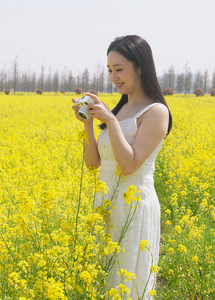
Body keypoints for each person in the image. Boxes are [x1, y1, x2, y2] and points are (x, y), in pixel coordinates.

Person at [72, 35, 172, 299]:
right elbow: (94, 164)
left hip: (133, 206)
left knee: (125, 283)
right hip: (105, 203)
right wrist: (88, 124)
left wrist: (111, 121)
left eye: (119, 69)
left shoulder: (156, 112)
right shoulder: (120, 109)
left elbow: (128, 165)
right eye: (109, 70)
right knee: (101, 281)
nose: (113, 77)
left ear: (140, 67)